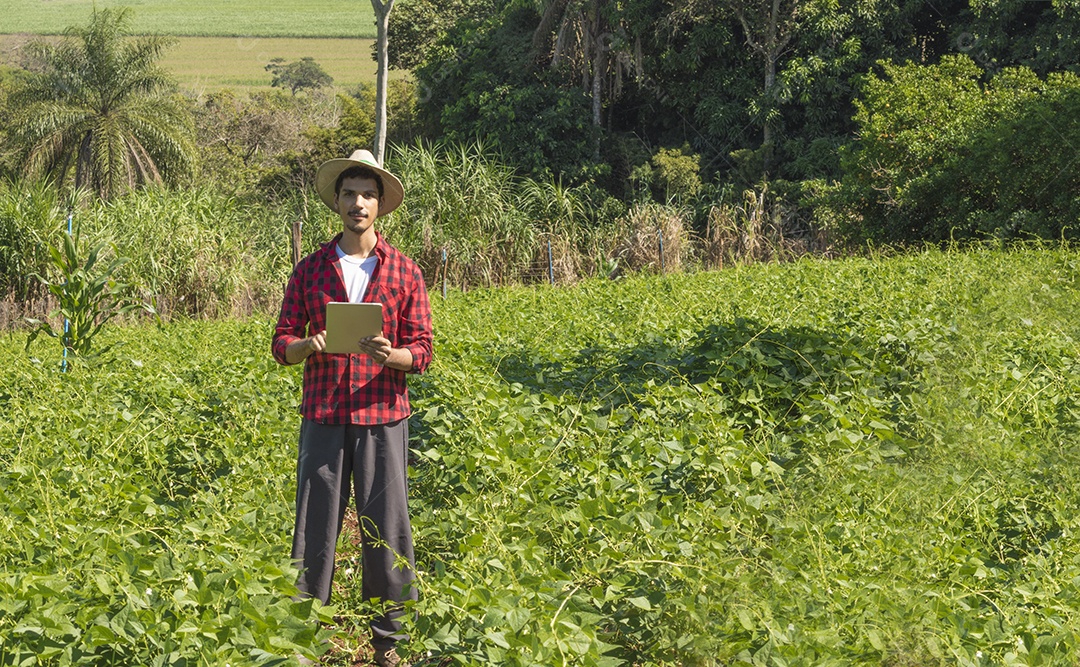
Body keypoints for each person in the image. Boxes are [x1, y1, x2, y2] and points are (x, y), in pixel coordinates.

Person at [272, 149, 432, 667]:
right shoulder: (310, 270)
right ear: (336, 202)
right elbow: (281, 342)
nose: (357, 203)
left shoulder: (404, 271)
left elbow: (423, 350)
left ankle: (389, 641)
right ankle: (303, 637)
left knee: (387, 525)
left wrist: (393, 355)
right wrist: (307, 345)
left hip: (382, 413)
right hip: (323, 412)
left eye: (367, 194)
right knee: (314, 525)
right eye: (349, 194)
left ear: (380, 204)